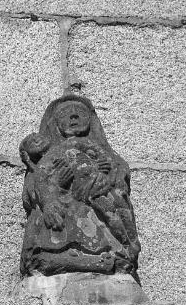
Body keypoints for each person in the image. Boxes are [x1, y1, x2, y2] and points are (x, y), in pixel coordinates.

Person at [19, 94, 141, 279]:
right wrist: (57, 188)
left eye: (80, 113)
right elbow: (32, 191)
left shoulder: (106, 155)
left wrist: (103, 179)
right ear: (55, 124)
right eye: (65, 113)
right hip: (62, 207)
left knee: (109, 208)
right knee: (54, 216)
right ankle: (65, 260)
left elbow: (118, 177)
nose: (73, 117)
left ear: (91, 120)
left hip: (96, 200)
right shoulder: (46, 161)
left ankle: (124, 248)